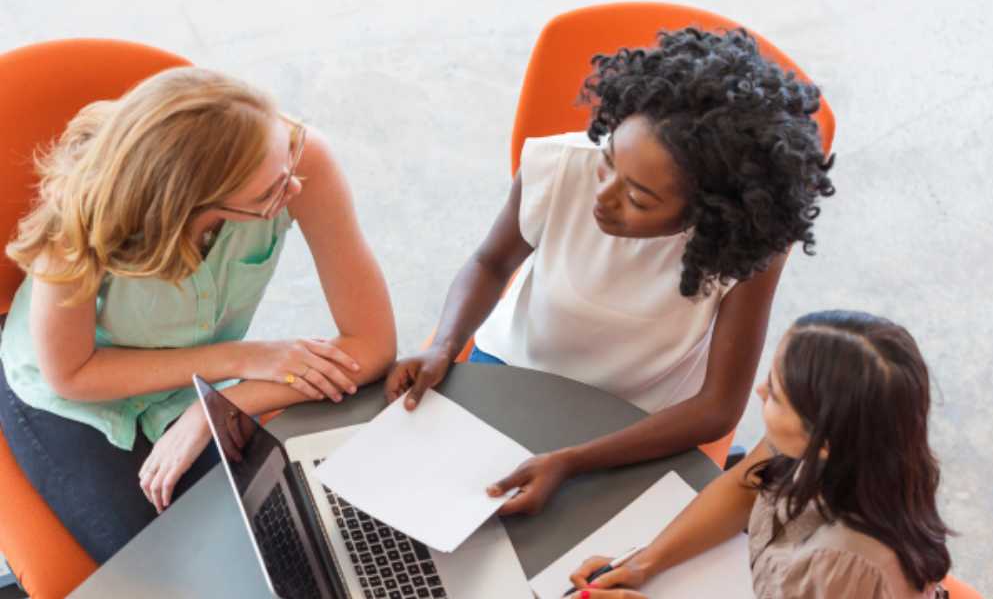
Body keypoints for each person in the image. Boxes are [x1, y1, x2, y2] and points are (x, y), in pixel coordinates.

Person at [385, 28, 835, 515]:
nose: (602, 196)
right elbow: (489, 263)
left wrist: (572, 461)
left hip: (644, 420)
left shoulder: (745, 248)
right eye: (607, 162)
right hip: (514, 370)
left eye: (639, 197)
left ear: (709, 214)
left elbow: (719, 406)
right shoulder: (559, 167)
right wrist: (444, 344)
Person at [0, 67, 396, 563]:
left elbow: (372, 345)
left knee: (272, 554)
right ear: (188, 204)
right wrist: (240, 359)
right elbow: (72, 373)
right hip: (69, 393)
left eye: (286, 159)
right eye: (266, 197)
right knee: (165, 574)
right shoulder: (82, 212)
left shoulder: (296, 158)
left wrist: (211, 413)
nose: (293, 188)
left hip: (186, 388)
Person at [566, 310, 951, 598]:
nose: (761, 391)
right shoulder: (850, 446)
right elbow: (745, 486)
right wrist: (643, 563)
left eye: (778, 395)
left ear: (826, 438)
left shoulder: (843, 561)